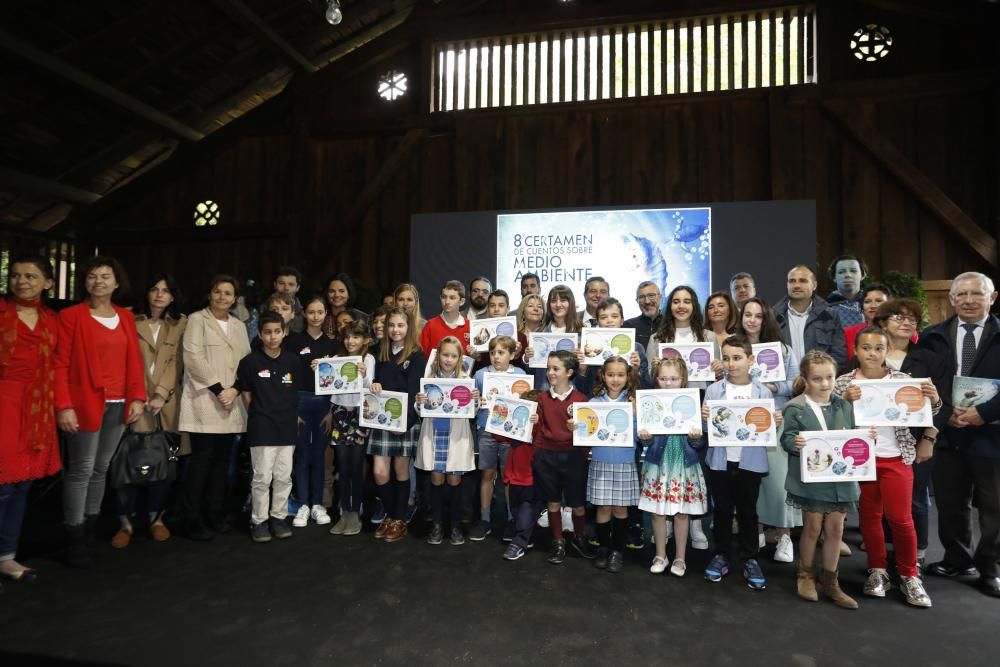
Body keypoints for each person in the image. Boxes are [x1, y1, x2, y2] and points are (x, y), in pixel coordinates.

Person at [834, 327, 936, 607]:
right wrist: (844, 402)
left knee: (900, 518)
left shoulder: (902, 380)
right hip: (861, 460)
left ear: (886, 350)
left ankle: (909, 574)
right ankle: (877, 569)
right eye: (866, 348)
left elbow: (927, 410)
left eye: (878, 348)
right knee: (869, 515)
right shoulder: (844, 382)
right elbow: (831, 417)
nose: (872, 353)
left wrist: (934, 398)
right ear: (855, 351)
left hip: (896, 457)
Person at [55, 255, 146, 567]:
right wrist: (63, 405)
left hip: (120, 403)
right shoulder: (71, 316)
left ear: (116, 283)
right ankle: (74, 537)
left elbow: (134, 360)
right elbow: (61, 364)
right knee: (80, 469)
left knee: (100, 468)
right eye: (92, 276)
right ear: (86, 282)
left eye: (105, 276)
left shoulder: (126, 317)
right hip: (83, 404)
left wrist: (137, 397)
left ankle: (90, 529)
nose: (98, 281)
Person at [916, 271, 1000, 598]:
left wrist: (985, 413)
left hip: (991, 434)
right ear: (951, 299)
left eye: (976, 294)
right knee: (951, 503)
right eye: (961, 295)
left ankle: (990, 567)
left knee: (994, 506)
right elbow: (924, 383)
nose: (968, 300)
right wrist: (946, 413)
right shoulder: (932, 336)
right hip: (948, 433)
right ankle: (956, 558)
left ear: (992, 298)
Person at [113, 273, 188, 549]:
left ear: (172, 296)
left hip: (166, 404)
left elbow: (177, 362)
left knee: (163, 463)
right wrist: (140, 393)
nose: (159, 295)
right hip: (132, 400)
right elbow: (123, 360)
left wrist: (160, 393)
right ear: (146, 293)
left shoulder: (181, 322)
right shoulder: (129, 320)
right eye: (154, 289)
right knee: (127, 463)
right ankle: (126, 523)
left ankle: (157, 518)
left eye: (166, 291)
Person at [873, 298, 949, 569]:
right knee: (878, 503)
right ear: (882, 322)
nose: (906, 322)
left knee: (914, 499)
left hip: (918, 441)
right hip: (877, 443)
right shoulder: (870, 355)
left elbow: (944, 402)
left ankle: (915, 557)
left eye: (912, 319)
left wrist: (929, 438)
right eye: (898, 317)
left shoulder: (930, 359)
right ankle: (886, 555)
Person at [781, 350, 861, 609]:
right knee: (813, 528)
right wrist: (796, 442)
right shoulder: (796, 407)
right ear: (805, 379)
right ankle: (805, 574)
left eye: (829, 377)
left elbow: (852, 435)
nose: (825, 384)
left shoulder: (844, 405)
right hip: (812, 478)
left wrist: (863, 439)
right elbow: (786, 439)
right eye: (817, 379)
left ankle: (831, 581)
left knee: (836, 529)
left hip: (841, 479)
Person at [0, 255, 61, 584]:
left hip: (38, 407)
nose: (22, 281)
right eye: (16, 275)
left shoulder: (52, 320)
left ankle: (7, 556)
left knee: (22, 484)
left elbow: (59, 365)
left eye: (31, 276)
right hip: (4, 403)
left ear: (47, 283)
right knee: (2, 486)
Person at [177, 275, 251, 541]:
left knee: (222, 463)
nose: (222, 297)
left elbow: (247, 362)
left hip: (231, 401)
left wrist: (235, 389)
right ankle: (191, 518)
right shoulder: (197, 320)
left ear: (235, 299)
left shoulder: (239, 326)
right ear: (209, 294)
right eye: (217, 292)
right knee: (201, 461)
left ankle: (215, 514)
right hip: (205, 401)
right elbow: (193, 358)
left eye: (228, 293)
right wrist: (220, 390)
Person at [700, 335, 775, 591]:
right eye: (727, 358)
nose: (731, 364)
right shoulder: (713, 390)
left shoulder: (763, 392)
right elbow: (703, 429)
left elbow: (766, 429)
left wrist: (773, 420)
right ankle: (720, 554)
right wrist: (703, 417)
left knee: (747, 512)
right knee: (721, 510)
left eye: (737, 358)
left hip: (750, 462)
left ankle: (750, 557)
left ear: (750, 360)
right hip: (721, 461)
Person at [645, 285, 712, 547]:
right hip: (665, 415)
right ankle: (666, 522)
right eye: (675, 301)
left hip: (696, 407)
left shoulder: (706, 336)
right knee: (665, 468)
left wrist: (716, 367)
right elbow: (653, 381)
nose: (681, 306)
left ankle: (694, 524)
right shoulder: (656, 339)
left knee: (693, 465)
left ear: (694, 305)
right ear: (668, 306)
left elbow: (714, 377)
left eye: (686, 301)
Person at [736, 297, 800, 564]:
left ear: (766, 319)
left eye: (758, 315)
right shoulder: (734, 348)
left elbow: (796, 383)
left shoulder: (782, 350)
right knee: (751, 481)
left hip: (774, 420)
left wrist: (774, 388)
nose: (751, 320)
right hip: (742, 423)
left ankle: (784, 537)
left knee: (777, 481)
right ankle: (758, 531)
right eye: (747, 314)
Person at [638, 358, 707, 577]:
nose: (668, 383)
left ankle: (680, 557)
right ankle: (660, 554)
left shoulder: (692, 403)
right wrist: (646, 438)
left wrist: (696, 437)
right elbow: (645, 441)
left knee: (681, 513)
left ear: (683, 380)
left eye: (674, 379)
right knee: (658, 514)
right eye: (664, 378)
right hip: (658, 464)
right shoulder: (650, 403)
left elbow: (700, 442)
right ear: (656, 379)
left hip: (683, 465)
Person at [235, 312, 298, 543]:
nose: (273, 337)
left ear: (284, 332)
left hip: (287, 426)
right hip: (262, 426)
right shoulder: (250, 362)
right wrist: (261, 415)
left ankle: (278, 518)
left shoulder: (292, 361)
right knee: (262, 477)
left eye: (277, 332)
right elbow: (246, 395)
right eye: (268, 332)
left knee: (283, 476)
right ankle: (259, 520)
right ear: (260, 335)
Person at [528, 350, 595, 564]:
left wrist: (578, 433)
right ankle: (558, 541)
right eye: (548, 368)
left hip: (574, 457)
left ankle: (578, 537)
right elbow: (537, 430)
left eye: (555, 368)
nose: (550, 372)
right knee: (553, 503)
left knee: (577, 504)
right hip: (547, 457)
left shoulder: (581, 400)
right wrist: (537, 453)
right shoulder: (542, 399)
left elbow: (589, 431)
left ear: (570, 372)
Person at [369, 307, 425, 543]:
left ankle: (399, 519)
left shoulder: (416, 355)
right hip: (381, 420)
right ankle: (390, 515)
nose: (395, 330)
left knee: (401, 470)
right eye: (391, 325)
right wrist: (372, 385)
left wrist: (405, 424)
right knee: (380, 472)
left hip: (405, 422)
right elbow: (370, 382)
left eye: (400, 325)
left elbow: (414, 393)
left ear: (409, 327)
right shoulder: (377, 352)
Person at [416, 336, 478, 545]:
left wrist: (475, 401)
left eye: (453, 356)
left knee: (454, 480)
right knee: (436, 478)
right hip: (434, 434)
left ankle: (455, 525)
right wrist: (419, 402)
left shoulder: (465, 380)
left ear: (460, 357)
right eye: (445, 355)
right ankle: (436, 524)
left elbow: (472, 413)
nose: (449, 359)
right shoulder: (430, 378)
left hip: (456, 437)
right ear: (438, 355)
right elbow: (420, 411)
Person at [284, 295, 339, 528]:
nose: (316, 316)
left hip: (324, 405)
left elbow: (339, 382)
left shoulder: (333, 345)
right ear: (304, 314)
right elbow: (286, 378)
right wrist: (292, 409)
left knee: (319, 455)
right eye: (311, 312)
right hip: (300, 402)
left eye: (320, 312)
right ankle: (303, 504)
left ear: (326, 314)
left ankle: (317, 504)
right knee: (302, 455)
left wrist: (331, 411)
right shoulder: (293, 342)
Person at [582, 357, 640, 573]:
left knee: (620, 508)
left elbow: (642, 436)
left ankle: (617, 550)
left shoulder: (633, 403)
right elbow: (586, 432)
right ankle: (603, 548)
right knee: (603, 507)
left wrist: (636, 416)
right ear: (603, 376)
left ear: (628, 377)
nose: (615, 379)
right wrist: (576, 426)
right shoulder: (594, 403)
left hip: (625, 462)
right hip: (600, 461)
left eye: (620, 375)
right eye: (610, 374)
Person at [471, 335, 526, 541]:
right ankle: (485, 519)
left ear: (512, 355)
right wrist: (477, 401)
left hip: (510, 432)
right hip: (486, 428)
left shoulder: (520, 374)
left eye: (501, 353)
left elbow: (524, 404)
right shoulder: (480, 374)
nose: (496, 357)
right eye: (493, 352)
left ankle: (512, 520)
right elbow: (471, 404)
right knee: (487, 473)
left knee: (508, 477)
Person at [328, 320, 375, 536]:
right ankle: (344, 512)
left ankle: (355, 511)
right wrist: (321, 370)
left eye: (355, 337)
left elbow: (371, 389)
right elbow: (329, 389)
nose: (350, 341)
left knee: (356, 466)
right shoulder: (336, 359)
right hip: (339, 414)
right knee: (343, 466)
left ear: (365, 340)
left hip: (359, 415)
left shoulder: (369, 359)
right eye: (347, 337)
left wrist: (364, 374)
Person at [773, 265, 847, 370]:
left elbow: (839, 355)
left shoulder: (830, 316)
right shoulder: (773, 317)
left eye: (803, 281)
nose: (797, 285)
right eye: (792, 281)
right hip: (784, 384)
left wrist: (822, 378)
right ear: (787, 285)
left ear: (814, 285)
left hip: (819, 382)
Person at [575, 297, 649, 395]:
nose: (609, 320)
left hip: (627, 403)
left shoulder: (637, 349)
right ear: (597, 322)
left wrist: (636, 370)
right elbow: (583, 390)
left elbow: (646, 387)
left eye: (614, 316)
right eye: (603, 317)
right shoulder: (589, 348)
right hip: (597, 402)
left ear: (622, 320)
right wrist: (582, 371)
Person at [501, 389, 540, 562]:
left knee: (526, 512)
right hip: (514, 477)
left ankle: (520, 542)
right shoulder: (517, 426)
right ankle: (526, 536)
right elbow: (498, 434)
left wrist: (538, 424)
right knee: (516, 511)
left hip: (532, 479)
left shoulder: (541, 430)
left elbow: (543, 437)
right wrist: (500, 413)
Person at [419, 280, 471, 358]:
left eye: (452, 298)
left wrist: (476, 356)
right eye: (444, 297)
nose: (447, 301)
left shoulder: (470, 326)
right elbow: (421, 356)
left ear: (462, 301)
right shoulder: (430, 325)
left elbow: (476, 358)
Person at [844, 283, 893, 360]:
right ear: (862, 307)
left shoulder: (902, 331)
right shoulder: (848, 333)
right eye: (867, 301)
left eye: (879, 301)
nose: (872, 306)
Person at [826, 254, 868, 328]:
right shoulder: (824, 308)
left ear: (863, 275)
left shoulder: (873, 304)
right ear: (834, 277)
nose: (848, 275)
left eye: (853, 271)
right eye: (841, 272)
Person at [323, 272, 368, 338]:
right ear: (327, 294)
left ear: (349, 293)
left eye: (341, 291)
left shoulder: (361, 317)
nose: (337, 295)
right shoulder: (320, 316)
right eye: (332, 291)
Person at [624, 280, 662, 350]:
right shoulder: (627, 326)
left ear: (660, 297)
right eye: (641, 297)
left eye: (651, 296)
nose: (647, 301)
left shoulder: (670, 324)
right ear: (637, 301)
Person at [271, 266, 304, 334]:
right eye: (282, 283)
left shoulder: (305, 313)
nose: (286, 288)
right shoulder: (263, 310)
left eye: (291, 284)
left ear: (298, 287)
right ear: (275, 285)